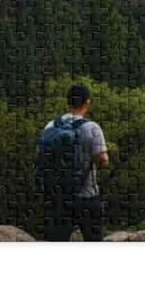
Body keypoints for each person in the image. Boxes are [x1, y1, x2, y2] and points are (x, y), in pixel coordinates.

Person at [36, 82, 110, 242]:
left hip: (58, 196)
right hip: (86, 195)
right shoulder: (92, 127)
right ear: (87, 102)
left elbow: (42, 156)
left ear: (67, 102)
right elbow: (103, 160)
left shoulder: (50, 126)